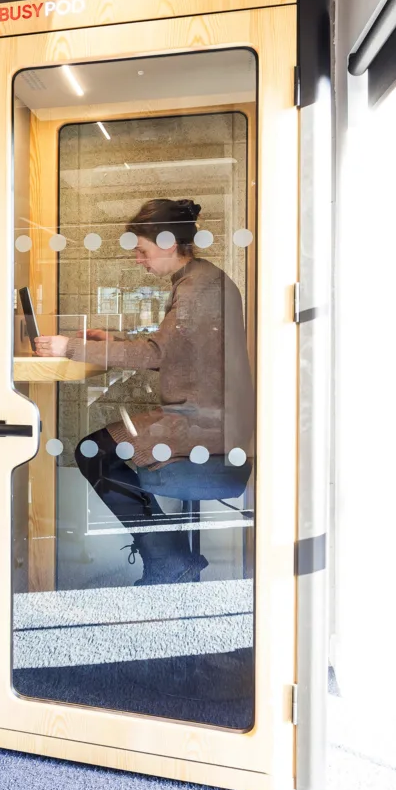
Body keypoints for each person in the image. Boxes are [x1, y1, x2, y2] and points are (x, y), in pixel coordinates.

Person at [34, 198, 254, 585]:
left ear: (169, 243)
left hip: (203, 422)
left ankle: (166, 556)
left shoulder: (196, 288)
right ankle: (167, 553)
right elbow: (174, 347)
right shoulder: (202, 279)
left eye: (142, 250)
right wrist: (114, 339)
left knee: (95, 453)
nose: (138, 259)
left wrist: (69, 347)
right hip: (214, 416)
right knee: (99, 450)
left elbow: (155, 354)